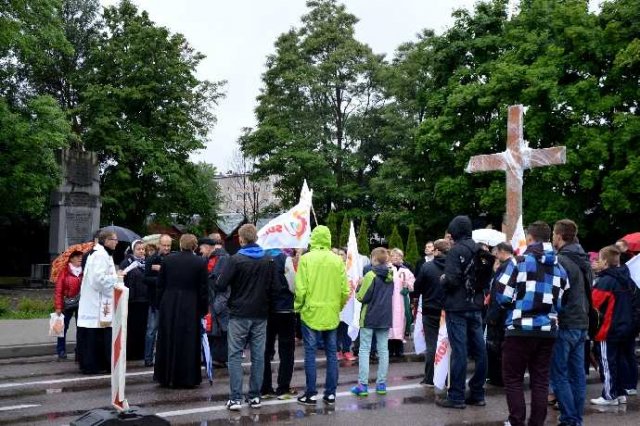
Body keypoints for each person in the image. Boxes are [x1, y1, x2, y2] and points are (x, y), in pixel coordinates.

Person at [495, 221, 569, 426]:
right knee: (540, 379)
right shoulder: (560, 268)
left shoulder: (517, 262)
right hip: (547, 329)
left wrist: (516, 304)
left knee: (513, 378)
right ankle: (536, 423)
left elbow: (502, 295)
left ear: (529, 238)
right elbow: (562, 302)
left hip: (519, 327)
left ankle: (516, 421)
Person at [216, 224, 279, 411]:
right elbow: (276, 288)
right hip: (260, 314)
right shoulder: (268, 260)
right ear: (256, 238)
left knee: (235, 355)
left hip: (239, 313)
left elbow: (221, 284)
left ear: (241, 239)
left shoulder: (235, 259)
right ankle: (255, 396)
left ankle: (236, 398)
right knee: (258, 356)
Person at [295, 225, 349, 406]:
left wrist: (298, 307)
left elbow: (301, 289)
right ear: (329, 239)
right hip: (331, 312)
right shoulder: (337, 260)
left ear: (313, 238)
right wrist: (338, 307)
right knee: (332, 353)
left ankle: (311, 394)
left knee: (310, 353)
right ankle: (331, 393)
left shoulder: (306, 259)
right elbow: (345, 290)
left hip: (310, 311)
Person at [437, 215, 488, 409]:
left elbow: (451, 279)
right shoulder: (480, 250)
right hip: (475, 305)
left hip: (457, 306)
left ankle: (456, 395)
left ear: (454, 232)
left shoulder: (455, 250)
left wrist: (443, 279)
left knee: (460, 351)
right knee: (480, 351)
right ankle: (477, 393)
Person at [549, 219, 592, 425]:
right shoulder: (584, 259)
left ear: (559, 236)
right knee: (578, 375)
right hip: (582, 321)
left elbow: (556, 294)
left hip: (566, 321)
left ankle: (569, 418)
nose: (552, 238)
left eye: (553, 234)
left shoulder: (560, 261)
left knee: (559, 374)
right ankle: (576, 419)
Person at [154, 234, 208, 388]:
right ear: (194, 246)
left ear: (180, 245)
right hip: (190, 304)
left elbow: (160, 284)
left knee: (168, 338)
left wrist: (159, 304)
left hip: (169, 303)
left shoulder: (168, 260)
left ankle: (165, 376)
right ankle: (187, 377)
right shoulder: (200, 262)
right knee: (188, 341)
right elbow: (203, 289)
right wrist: (203, 309)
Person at [589, 245, 640, 406]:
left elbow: (593, 303)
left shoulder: (606, 281)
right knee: (619, 361)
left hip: (608, 329)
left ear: (605, 261)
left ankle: (609, 395)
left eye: (599, 259)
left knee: (608, 363)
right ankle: (620, 392)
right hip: (625, 327)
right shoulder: (627, 279)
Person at [351, 247, 393, 397]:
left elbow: (362, 297)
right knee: (383, 350)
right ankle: (381, 384)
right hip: (385, 316)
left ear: (374, 259)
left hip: (369, 316)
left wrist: (359, 286)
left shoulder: (370, 275)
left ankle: (363, 385)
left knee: (364, 350)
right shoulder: (391, 275)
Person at [76, 230, 120, 374]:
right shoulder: (100, 255)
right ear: (106, 241)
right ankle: (92, 366)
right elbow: (98, 280)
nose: (117, 242)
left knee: (94, 334)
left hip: (96, 301)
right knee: (94, 335)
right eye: (114, 239)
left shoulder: (101, 253)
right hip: (96, 303)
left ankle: (94, 364)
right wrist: (116, 278)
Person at [261, 249, 297, 400]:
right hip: (285, 308)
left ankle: (265, 388)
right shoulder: (284, 259)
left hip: (266, 309)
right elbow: (292, 284)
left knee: (265, 349)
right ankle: (283, 388)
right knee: (286, 349)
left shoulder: (261, 258)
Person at [413, 239, 450, 386]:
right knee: (448, 345)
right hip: (448, 310)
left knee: (432, 345)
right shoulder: (454, 267)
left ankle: (430, 378)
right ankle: (446, 378)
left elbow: (417, 287)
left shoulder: (427, 267)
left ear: (437, 251)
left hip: (430, 309)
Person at [485, 242, 514, 387]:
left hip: (500, 316)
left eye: (496, 253)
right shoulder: (512, 266)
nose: (495, 256)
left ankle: (497, 377)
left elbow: (500, 294)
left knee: (495, 347)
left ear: (502, 251)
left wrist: (493, 316)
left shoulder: (506, 268)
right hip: (505, 315)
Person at [143, 234, 172, 367]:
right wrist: (161, 279)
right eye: (164, 245)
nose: (166, 248)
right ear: (159, 245)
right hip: (155, 301)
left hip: (168, 300)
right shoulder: (151, 259)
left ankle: (163, 357)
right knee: (151, 331)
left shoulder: (173, 259)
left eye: (168, 245)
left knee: (166, 331)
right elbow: (145, 278)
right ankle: (148, 358)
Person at [119, 240, 149, 361]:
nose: (141, 251)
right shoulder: (127, 262)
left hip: (144, 299)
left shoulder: (146, 262)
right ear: (133, 250)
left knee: (142, 327)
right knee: (131, 327)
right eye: (139, 249)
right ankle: (130, 352)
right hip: (132, 300)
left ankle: (140, 352)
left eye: (143, 249)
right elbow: (122, 278)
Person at [204, 234, 230, 367]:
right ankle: (217, 357)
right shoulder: (220, 257)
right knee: (217, 329)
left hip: (218, 300)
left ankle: (218, 357)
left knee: (218, 329)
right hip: (217, 300)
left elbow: (221, 283)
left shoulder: (221, 258)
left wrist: (217, 303)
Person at [53, 250, 83, 360]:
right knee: (63, 328)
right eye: (77, 256)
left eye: (81, 256)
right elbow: (58, 291)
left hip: (81, 303)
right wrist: (58, 306)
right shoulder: (64, 272)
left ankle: (79, 350)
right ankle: (61, 350)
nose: (80, 258)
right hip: (67, 304)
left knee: (81, 328)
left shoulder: (85, 271)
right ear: (71, 259)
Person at [388, 248, 415, 357]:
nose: (396, 258)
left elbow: (412, 283)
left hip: (401, 300)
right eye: (393, 255)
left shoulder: (406, 270)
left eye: (398, 256)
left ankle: (399, 348)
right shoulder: (387, 268)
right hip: (390, 300)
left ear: (402, 258)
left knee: (400, 322)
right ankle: (390, 349)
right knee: (390, 324)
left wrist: (407, 286)